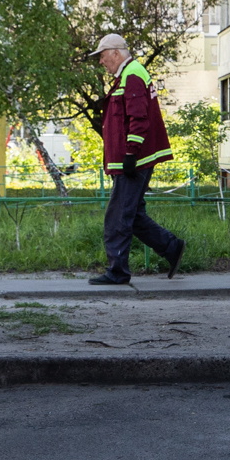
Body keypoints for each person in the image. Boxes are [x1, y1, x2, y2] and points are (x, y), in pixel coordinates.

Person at [91, 32, 185, 286]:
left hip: (133, 160)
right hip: (135, 158)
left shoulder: (131, 75)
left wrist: (131, 154)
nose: (101, 62)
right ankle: (171, 247)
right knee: (132, 214)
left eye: (102, 56)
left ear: (115, 53)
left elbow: (138, 119)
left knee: (118, 215)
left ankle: (118, 271)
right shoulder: (130, 74)